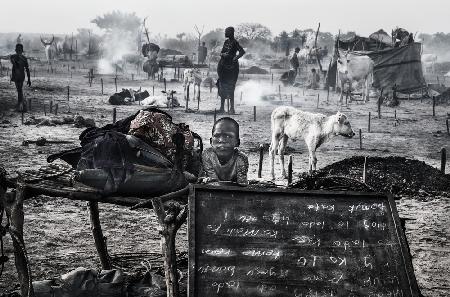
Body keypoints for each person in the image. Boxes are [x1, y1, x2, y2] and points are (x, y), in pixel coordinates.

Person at [200, 117, 248, 185]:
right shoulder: (207, 155)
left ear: (237, 142)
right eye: (217, 136)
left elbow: (242, 183)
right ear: (211, 141)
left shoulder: (241, 158)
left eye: (228, 136)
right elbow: (213, 182)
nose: (221, 140)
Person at [216, 27, 245, 114]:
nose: (225, 33)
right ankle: (222, 108)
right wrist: (223, 54)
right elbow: (221, 52)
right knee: (222, 86)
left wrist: (235, 58)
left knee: (231, 87)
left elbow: (242, 52)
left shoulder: (235, 42)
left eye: (226, 32)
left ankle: (232, 108)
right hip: (223, 67)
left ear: (231, 33)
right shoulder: (226, 41)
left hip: (232, 68)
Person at [9, 44, 31, 111]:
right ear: (16, 50)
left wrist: (29, 79)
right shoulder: (13, 57)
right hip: (16, 75)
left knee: (19, 89)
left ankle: (20, 104)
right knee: (19, 90)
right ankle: (20, 104)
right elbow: (15, 64)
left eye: (20, 50)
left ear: (21, 51)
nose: (19, 51)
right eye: (18, 50)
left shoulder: (23, 58)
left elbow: (27, 69)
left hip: (21, 76)